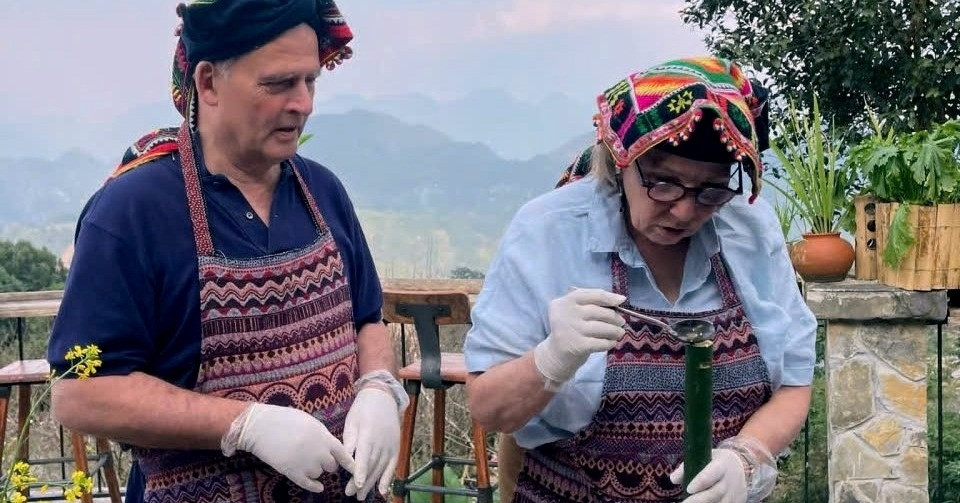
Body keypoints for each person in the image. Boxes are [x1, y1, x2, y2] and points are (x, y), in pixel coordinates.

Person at [46, 2, 406, 502]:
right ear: (209, 83)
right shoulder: (134, 212)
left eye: (311, 82)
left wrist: (378, 385)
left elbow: (367, 320)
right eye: (279, 84)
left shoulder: (323, 192)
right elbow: (81, 394)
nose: (302, 103)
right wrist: (246, 423)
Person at [464, 57, 817, 503]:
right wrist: (550, 360)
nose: (686, 211)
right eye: (664, 183)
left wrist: (746, 457)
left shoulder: (750, 230)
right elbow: (489, 409)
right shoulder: (547, 231)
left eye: (710, 190)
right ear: (619, 163)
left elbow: (794, 381)